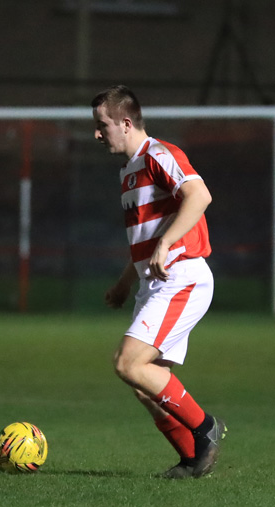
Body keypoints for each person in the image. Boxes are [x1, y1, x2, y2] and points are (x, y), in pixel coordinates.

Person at [92, 85, 226, 479]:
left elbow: (199, 195)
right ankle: (193, 459)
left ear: (126, 122)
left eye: (102, 125)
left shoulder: (158, 154)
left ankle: (205, 428)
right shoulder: (129, 171)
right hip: (155, 283)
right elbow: (145, 242)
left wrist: (168, 242)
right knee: (142, 383)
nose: (97, 134)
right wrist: (123, 283)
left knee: (127, 363)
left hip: (182, 277)